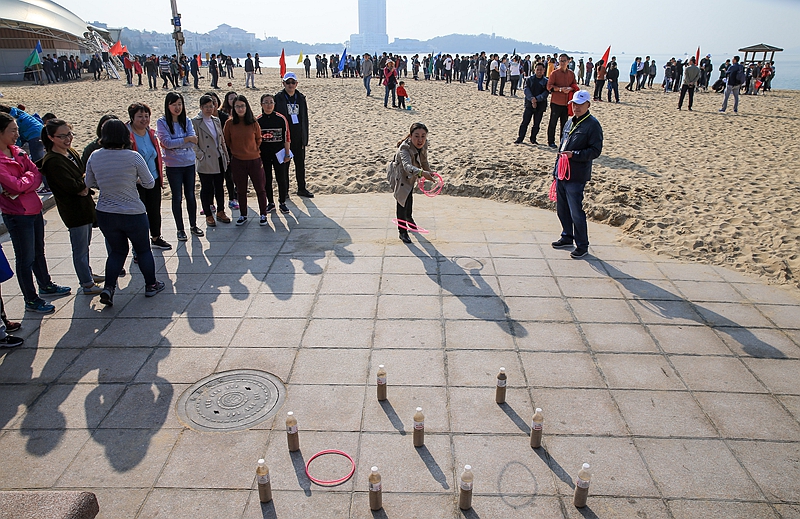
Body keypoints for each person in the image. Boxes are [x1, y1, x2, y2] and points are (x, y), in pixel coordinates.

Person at [85, 119, 164, 306]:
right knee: (143, 249)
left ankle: (109, 288)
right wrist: (133, 180)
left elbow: (89, 182)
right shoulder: (133, 156)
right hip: (132, 211)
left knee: (117, 251)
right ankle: (151, 284)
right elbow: (149, 183)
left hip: (106, 211)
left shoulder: (95, 156)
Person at [0, 112, 70, 314]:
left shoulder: (18, 152)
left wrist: (23, 184)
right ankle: (30, 299)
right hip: (17, 214)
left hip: (34, 207)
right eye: (12, 131)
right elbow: (13, 185)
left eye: (17, 130)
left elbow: (36, 174)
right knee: (25, 257)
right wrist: (24, 184)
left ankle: (45, 284)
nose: (17, 134)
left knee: (39, 251)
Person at [39, 118, 104, 295]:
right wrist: (83, 184)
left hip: (85, 205)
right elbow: (73, 186)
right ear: (51, 137)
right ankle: (87, 283)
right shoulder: (52, 161)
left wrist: (84, 184)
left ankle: (88, 274)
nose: (68, 139)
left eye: (69, 134)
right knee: (80, 249)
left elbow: (84, 175)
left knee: (85, 245)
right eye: (62, 136)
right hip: (73, 210)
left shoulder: (70, 152)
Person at [551, 91, 603, 259]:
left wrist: (574, 155)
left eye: (580, 104)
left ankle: (582, 245)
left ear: (588, 105)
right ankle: (567, 236)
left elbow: (595, 151)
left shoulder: (592, 125)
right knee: (562, 209)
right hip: (562, 173)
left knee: (576, 211)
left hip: (576, 175)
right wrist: (555, 171)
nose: (576, 107)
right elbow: (562, 146)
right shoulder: (569, 122)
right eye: (574, 104)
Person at [156, 92, 203, 241]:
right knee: (177, 197)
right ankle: (180, 229)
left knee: (191, 195)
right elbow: (166, 143)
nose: (177, 108)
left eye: (180, 104)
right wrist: (186, 139)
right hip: (173, 165)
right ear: (168, 105)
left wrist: (180, 141)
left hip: (189, 163)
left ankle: (193, 225)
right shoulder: (162, 122)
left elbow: (194, 140)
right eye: (174, 104)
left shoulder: (186, 120)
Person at [126, 103, 173, 250]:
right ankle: (139, 244)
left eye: (146, 116)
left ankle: (156, 237)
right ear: (132, 118)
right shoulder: (127, 136)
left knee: (154, 210)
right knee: (139, 213)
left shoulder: (151, 133)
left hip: (153, 178)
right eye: (140, 116)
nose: (144, 119)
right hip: (136, 182)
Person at [386, 122, 435, 244]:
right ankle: (402, 232)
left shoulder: (424, 144)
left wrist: (429, 171)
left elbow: (424, 160)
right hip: (400, 174)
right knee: (401, 201)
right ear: (411, 136)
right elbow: (407, 166)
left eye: (423, 136)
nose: (420, 140)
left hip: (413, 173)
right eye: (416, 136)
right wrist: (423, 173)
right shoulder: (404, 148)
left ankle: (409, 218)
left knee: (409, 196)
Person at [223, 94, 268, 226]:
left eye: (242, 106)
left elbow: (259, 139)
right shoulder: (229, 123)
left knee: (260, 188)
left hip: (254, 160)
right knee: (241, 190)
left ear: (246, 107)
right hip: (238, 161)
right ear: (234, 108)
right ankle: (243, 214)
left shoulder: (253, 122)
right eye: (237, 106)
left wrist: (252, 150)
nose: (240, 109)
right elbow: (227, 141)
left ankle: (263, 214)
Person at [193, 95, 231, 226]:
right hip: (206, 160)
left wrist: (226, 156)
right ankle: (208, 214)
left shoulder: (216, 120)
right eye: (206, 107)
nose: (209, 109)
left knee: (219, 186)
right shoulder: (195, 122)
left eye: (211, 106)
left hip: (218, 157)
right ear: (201, 107)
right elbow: (193, 143)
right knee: (206, 188)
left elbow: (221, 140)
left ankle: (221, 211)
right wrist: (200, 155)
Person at [274, 72, 313, 198]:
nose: (290, 85)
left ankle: (301, 188)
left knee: (300, 165)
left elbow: (305, 119)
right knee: (284, 166)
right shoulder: (278, 98)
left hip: (298, 137)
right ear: (283, 83)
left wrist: (305, 138)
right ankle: (284, 191)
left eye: (293, 82)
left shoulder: (301, 98)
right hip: (285, 138)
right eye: (288, 82)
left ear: (296, 84)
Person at [258, 93, 292, 215]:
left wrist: (287, 153)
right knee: (267, 179)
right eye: (266, 102)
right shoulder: (258, 120)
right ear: (261, 104)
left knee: (281, 178)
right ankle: (271, 203)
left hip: (279, 154)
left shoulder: (281, 118)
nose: (269, 105)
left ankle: (282, 202)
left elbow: (287, 137)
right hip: (264, 155)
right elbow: (255, 140)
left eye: (271, 102)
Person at [546, 54, 580, 149]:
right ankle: (551, 141)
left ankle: (563, 141)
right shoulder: (554, 73)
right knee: (553, 122)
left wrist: (570, 88)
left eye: (564, 61)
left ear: (568, 61)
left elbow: (575, 85)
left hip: (566, 103)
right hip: (556, 102)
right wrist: (560, 89)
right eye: (561, 61)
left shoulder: (571, 74)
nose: (562, 63)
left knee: (565, 124)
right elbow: (549, 86)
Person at [515, 62, 549, 145]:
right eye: (538, 69)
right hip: (529, 104)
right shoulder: (529, 79)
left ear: (544, 70)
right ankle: (520, 138)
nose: (539, 71)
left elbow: (546, 93)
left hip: (540, 105)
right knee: (525, 122)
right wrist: (532, 99)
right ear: (534, 70)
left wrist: (536, 99)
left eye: (541, 70)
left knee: (536, 124)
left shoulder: (546, 81)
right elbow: (526, 90)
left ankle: (533, 139)